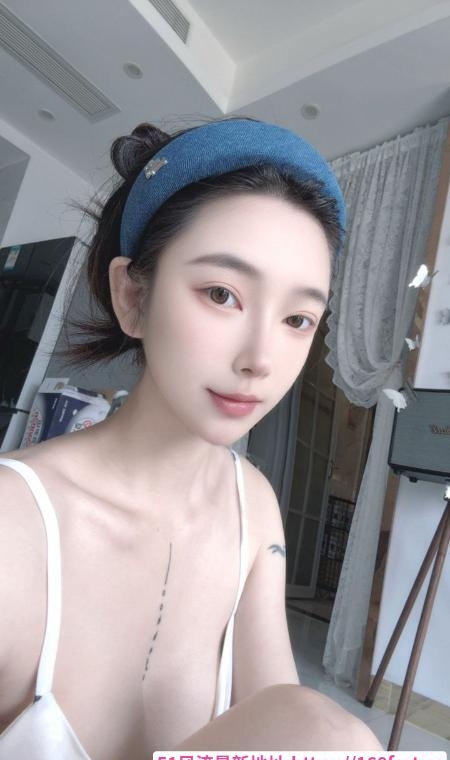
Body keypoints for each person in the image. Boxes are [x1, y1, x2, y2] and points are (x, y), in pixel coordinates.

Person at [0, 118, 382, 758]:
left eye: (298, 318)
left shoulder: (251, 503)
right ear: (132, 295)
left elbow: (284, 716)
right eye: (221, 294)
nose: (261, 359)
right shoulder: (13, 525)